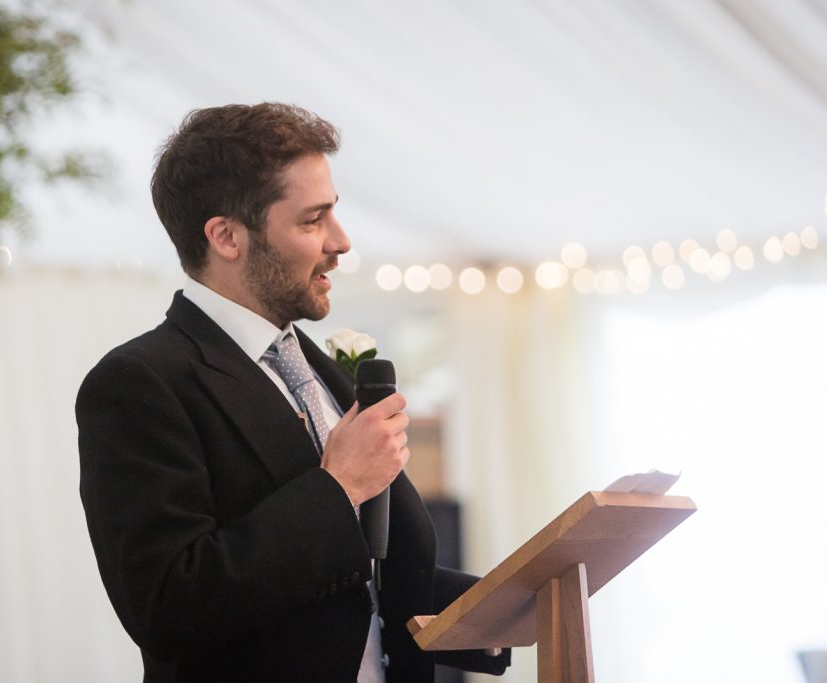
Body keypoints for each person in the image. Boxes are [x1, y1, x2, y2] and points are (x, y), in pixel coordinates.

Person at [76, 103, 510, 682]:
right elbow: (169, 605)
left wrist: (512, 600)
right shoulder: (139, 383)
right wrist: (339, 486)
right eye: (312, 221)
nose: (342, 241)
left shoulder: (315, 366)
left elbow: (361, 579)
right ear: (227, 236)